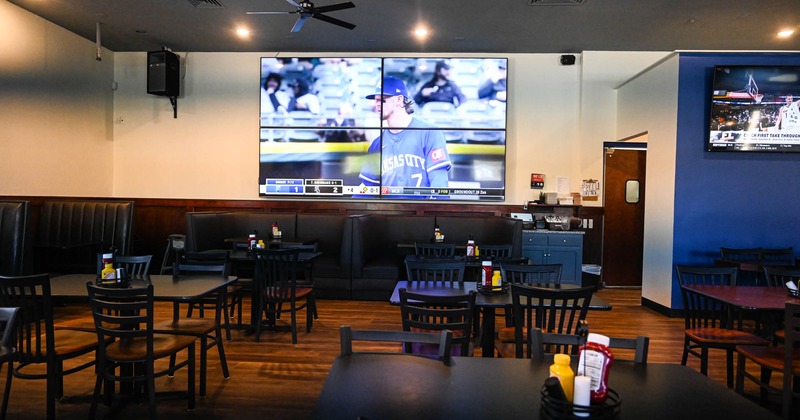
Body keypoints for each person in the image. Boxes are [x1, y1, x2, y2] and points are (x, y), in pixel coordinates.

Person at [359, 77, 451, 194]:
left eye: (382, 100)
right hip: (390, 206)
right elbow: (367, 187)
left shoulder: (429, 133)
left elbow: (440, 185)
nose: (376, 105)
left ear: (399, 99)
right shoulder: (377, 144)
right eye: (376, 100)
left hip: (421, 205)